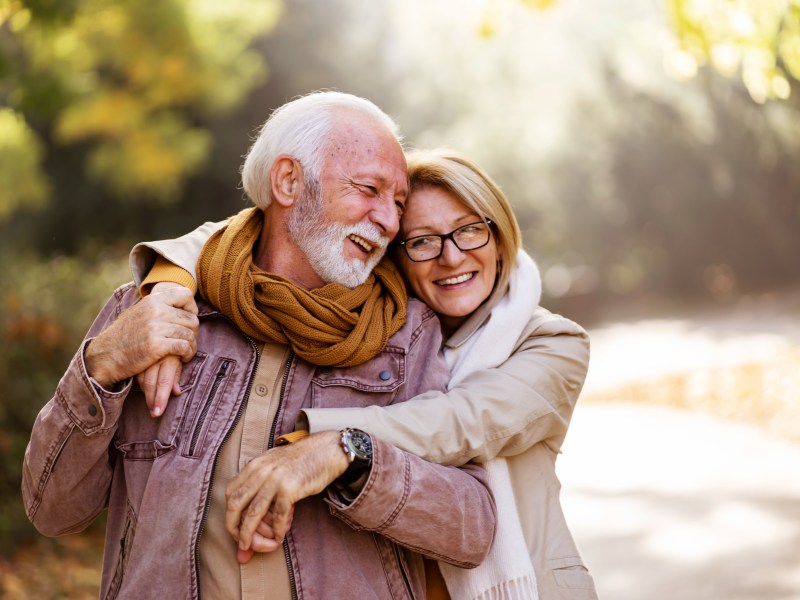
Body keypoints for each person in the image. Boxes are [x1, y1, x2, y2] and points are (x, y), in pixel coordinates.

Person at [21, 92, 498, 600]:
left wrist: (352, 457)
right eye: (368, 189)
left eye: (398, 202)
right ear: (289, 181)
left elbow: (472, 529)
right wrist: (100, 365)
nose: (388, 220)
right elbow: (52, 508)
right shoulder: (152, 309)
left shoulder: (410, 333)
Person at [131, 149, 599, 599]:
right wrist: (170, 283)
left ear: (499, 238)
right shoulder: (391, 327)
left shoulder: (553, 344)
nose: (451, 257)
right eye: (421, 241)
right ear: (394, 251)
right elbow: (253, 236)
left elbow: (462, 419)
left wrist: (336, 444)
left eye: (468, 231)